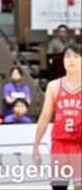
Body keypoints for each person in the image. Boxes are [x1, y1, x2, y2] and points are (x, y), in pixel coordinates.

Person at [33, 42, 81, 190]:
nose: (71, 60)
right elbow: (45, 116)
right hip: (59, 143)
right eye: (68, 56)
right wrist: (36, 145)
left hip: (79, 144)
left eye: (75, 56)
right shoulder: (54, 86)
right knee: (59, 186)